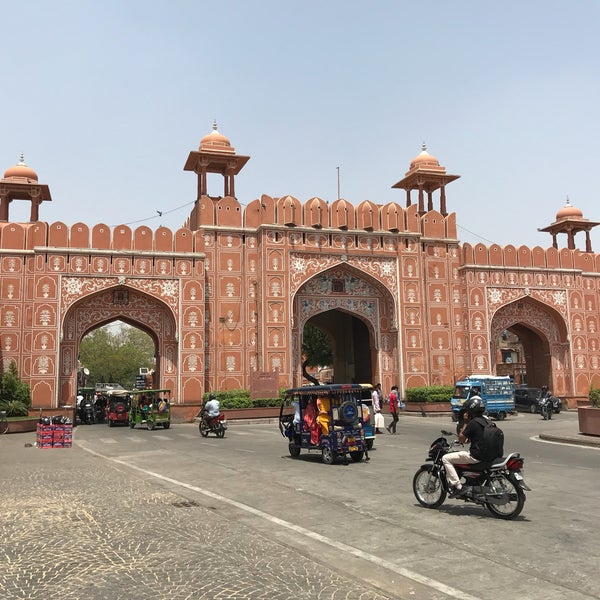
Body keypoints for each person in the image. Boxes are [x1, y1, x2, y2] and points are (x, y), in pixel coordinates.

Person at [442, 396, 487, 497]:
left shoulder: (473, 423)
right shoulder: (487, 421)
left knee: (445, 458)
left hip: (477, 456)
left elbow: (462, 439)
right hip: (490, 455)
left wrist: (466, 422)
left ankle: (458, 487)